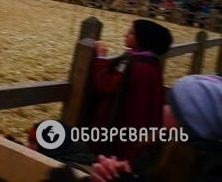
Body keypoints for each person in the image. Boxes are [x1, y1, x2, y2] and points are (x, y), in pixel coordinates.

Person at [91, 74, 222, 182]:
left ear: (186, 123)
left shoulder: (203, 172)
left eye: (171, 104)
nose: (164, 107)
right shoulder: (161, 145)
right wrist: (125, 173)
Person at [91, 20, 172, 161]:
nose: (125, 35)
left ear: (143, 39)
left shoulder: (130, 63)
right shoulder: (154, 65)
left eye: (131, 33)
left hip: (117, 136)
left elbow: (106, 85)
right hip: (138, 140)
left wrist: (101, 58)